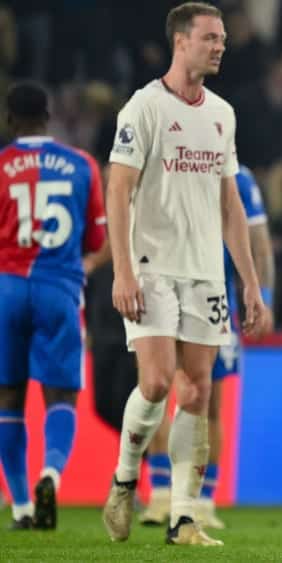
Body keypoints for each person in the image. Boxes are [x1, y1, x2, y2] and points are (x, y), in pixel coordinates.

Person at [101, 1, 265, 547]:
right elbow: (118, 189)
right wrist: (122, 272)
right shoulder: (144, 107)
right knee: (155, 382)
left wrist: (249, 282)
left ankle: (184, 518)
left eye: (222, 39)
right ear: (181, 42)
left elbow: (230, 204)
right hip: (151, 268)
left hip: (205, 274)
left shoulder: (222, 113)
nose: (220, 46)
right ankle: (125, 477)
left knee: (197, 391)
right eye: (210, 38)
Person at [139, 164, 275, 530]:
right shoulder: (164, 163)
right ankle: (163, 493)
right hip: (166, 292)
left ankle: (200, 500)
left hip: (214, 300)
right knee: (158, 391)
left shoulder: (237, 176)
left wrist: (263, 296)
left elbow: (259, 244)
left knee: (206, 402)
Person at [0, 82, 108, 530]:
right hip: (60, 290)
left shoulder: (1, 166)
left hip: (6, 289)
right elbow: (97, 240)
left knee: (8, 397)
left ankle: (22, 506)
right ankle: (51, 473)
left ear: (9, 119)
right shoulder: (82, 165)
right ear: (49, 117)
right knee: (60, 395)